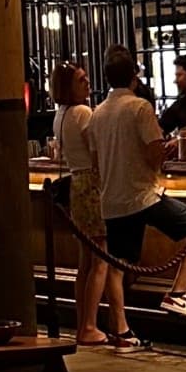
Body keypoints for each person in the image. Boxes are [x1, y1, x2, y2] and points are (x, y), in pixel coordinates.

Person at [89, 45, 186, 279]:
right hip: (143, 197)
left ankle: (117, 316)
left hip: (112, 202)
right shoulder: (140, 107)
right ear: (133, 77)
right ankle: (178, 292)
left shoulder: (97, 113)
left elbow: (95, 161)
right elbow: (154, 155)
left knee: (119, 265)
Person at [52, 57, 129, 350]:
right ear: (69, 87)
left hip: (76, 185)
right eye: (81, 80)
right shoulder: (83, 113)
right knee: (100, 260)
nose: (88, 84)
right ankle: (89, 325)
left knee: (86, 261)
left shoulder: (61, 114)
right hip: (92, 186)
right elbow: (97, 152)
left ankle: (83, 320)